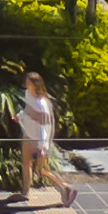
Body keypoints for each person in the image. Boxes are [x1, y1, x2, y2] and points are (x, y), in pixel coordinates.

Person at [16, 68, 67, 206]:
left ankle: (65, 187)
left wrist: (43, 147)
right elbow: (27, 111)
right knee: (26, 164)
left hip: (39, 142)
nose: (26, 84)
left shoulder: (43, 104)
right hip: (28, 135)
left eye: (28, 82)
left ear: (35, 84)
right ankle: (25, 193)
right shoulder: (28, 95)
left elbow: (46, 127)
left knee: (41, 170)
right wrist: (19, 117)